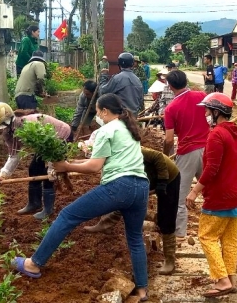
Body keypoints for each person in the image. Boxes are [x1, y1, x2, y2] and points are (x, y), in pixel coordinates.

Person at [11, 94, 150, 301]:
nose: (97, 116)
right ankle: (141, 289)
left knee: (67, 215)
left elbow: (94, 167)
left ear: (104, 111)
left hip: (120, 187)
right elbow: (102, 159)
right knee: (135, 237)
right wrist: (74, 160)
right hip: (141, 187)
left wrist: (66, 166)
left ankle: (34, 263)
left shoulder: (106, 130)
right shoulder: (127, 128)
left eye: (97, 111)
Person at [84, 146, 181, 275]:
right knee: (126, 196)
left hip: (169, 178)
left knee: (166, 219)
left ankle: (170, 261)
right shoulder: (113, 160)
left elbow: (158, 156)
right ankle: (106, 223)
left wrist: (162, 182)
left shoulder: (131, 148)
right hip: (149, 177)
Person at [186, 93, 237, 298]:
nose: (205, 113)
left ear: (216, 112)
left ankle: (221, 280)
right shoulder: (236, 131)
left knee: (207, 236)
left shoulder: (216, 135)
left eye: (207, 110)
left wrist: (194, 192)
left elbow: (211, 169)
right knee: (229, 239)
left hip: (220, 197)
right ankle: (231, 278)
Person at [0, 103, 72, 220]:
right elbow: (14, 155)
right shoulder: (9, 132)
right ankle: (34, 203)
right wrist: (3, 175)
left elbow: (50, 149)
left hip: (60, 137)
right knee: (34, 169)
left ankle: (48, 209)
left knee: (48, 175)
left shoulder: (29, 125)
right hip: (43, 144)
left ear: (7, 123)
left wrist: (52, 167)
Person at [163, 70, 210, 239]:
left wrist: (164, 155)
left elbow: (169, 139)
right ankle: (214, 228)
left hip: (187, 152)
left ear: (170, 86)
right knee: (210, 191)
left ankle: (179, 232)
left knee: (179, 195)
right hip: (208, 149)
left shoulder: (171, 108)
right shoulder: (201, 96)